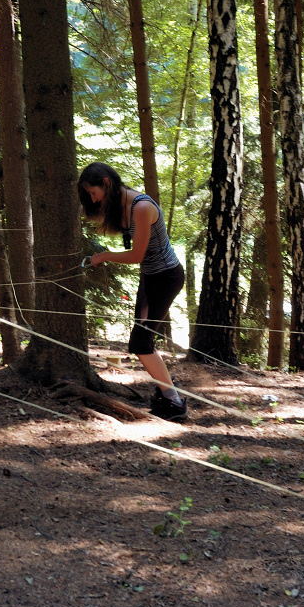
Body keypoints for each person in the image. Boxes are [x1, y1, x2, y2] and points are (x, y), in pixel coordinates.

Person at [77, 162, 188, 422]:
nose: (94, 199)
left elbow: (137, 255)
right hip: (151, 278)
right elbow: (92, 214)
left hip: (166, 278)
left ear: (106, 182)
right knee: (141, 342)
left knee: (140, 343)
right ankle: (167, 394)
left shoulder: (142, 207)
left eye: (94, 192)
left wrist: (104, 255)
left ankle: (175, 403)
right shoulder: (120, 203)